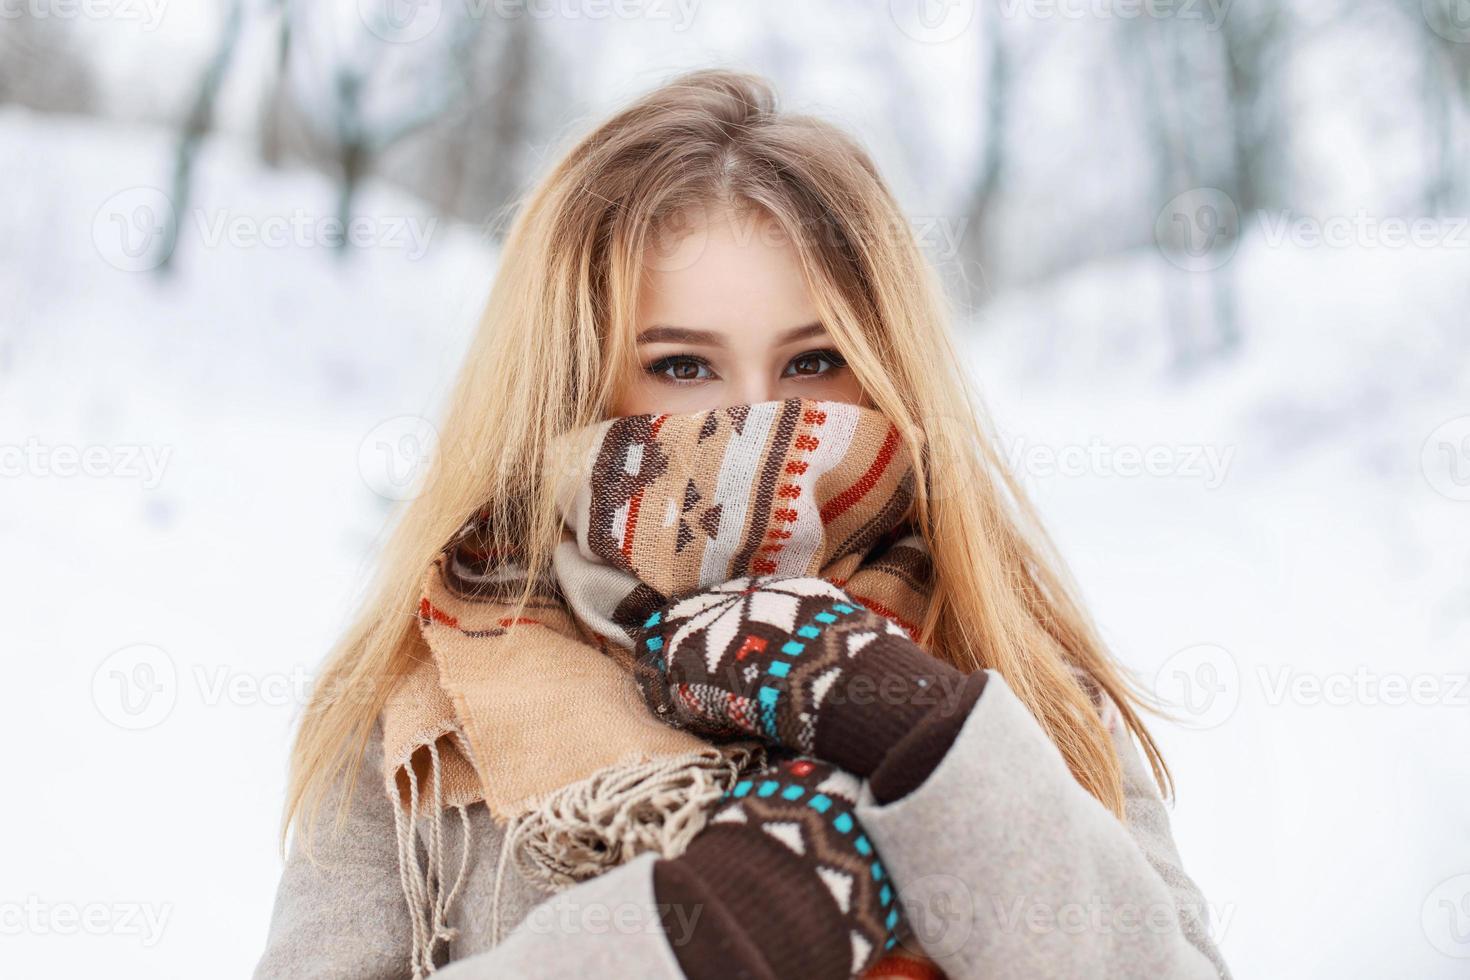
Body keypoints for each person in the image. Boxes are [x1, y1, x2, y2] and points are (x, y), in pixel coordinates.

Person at [253, 69, 1231, 980]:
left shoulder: (1018, 671)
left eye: (814, 363)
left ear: (889, 367)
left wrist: (924, 733)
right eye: (682, 366)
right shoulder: (435, 712)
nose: (763, 419)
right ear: (575, 381)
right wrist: (700, 929)